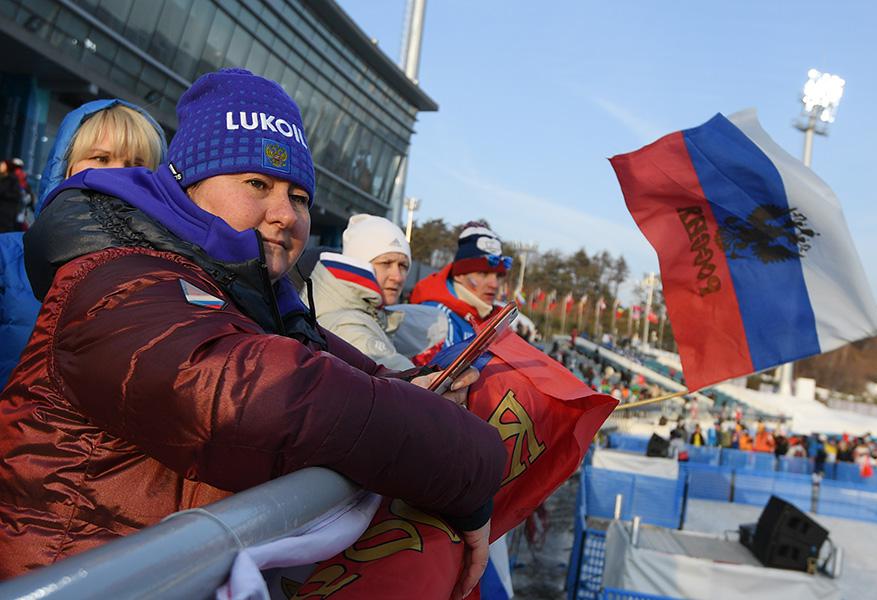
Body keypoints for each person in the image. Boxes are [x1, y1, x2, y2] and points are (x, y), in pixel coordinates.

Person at [0, 69, 506, 598]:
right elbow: (250, 393)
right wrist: (465, 461)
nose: (285, 214)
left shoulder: (253, 298)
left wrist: (420, 390)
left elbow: (352, 372)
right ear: (187, 188)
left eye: (301, 196)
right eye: (257, 184)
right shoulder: (117, 276)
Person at [0, 100, 166, 390]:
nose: (118, 175)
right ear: (66, 167)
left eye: (136, 164)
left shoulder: (172, 277)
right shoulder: (6, 258)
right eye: (101, 158)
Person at [306, 214, 418, 370]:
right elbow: (409, 384)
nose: (398, 277)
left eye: (403, 266)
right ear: (358, 264)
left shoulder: (366, 313)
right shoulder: (346, 325)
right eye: (386, 263)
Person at [410, 222, 511, 345]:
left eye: (499, 276)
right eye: (483, 273)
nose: (494, 284)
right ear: (459, 275)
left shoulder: (496, 321)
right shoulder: (436, 318)